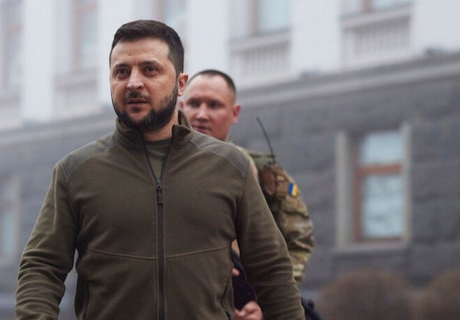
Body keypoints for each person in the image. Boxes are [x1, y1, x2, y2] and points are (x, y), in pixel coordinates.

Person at [15, 20, 304, 319]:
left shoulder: (230, 166)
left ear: (180, 83)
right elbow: (42, 267)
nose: (133, 83)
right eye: (121, 72)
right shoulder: (76, 171)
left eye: (149, 69)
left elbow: (271, 270)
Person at [179, 69, 316, 319]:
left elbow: (298, 238)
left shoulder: (263, 172)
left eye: (214, 105)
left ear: (234, 113)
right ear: (180, 107)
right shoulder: (158, 168)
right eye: (194, 103)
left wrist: (267, 301)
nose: (201, 114)